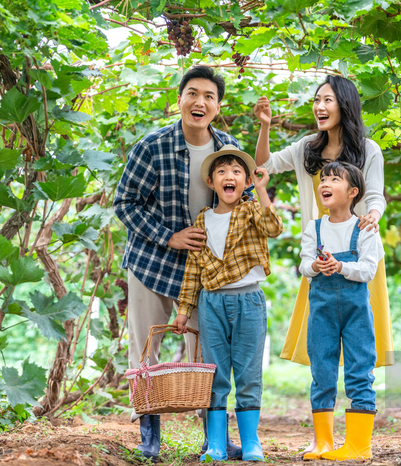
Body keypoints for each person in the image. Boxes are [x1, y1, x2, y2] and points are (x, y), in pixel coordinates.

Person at [253, 75, 393, 453]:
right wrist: (265, 127)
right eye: (316, 100)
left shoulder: (368, 149)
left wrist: (372, 217)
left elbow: (376, 194)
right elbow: (263, 164)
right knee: (324, 351)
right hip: (319, 256)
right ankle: (326, 441)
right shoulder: (305, 149)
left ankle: (358, 443)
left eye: (327, 99)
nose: (319, 106)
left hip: (358, 251)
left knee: (362, 350)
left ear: (344, 104)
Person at [113, 65, 242, 462]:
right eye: (192, 93)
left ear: (217, 106)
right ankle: (149, 435)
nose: (199, 102)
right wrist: (168, 236)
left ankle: (214, 436)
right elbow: (124, 203)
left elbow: (243, 203)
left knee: (209, 352)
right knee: (145, 349)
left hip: (206, 272)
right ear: (180, 99)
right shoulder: (151, 146)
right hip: (152, 263)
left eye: (208, 96)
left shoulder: (228, 150)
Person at [173, 146, 283, 462]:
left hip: (248, 300)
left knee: (248, 373)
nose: (229, 176)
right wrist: (184, 309)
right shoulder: (203, 219)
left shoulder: (250, 211)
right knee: (216, 373)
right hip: (211, 304)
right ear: (211, 182)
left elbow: (273, 227)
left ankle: (251, 443)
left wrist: (262, 190)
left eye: (236, 171)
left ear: (246, 181)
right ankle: (217, 444)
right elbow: (193, 267)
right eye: (222, 172)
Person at [300, 161, 383, 461]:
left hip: (355, 311)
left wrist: (341, 266)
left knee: (360, 370)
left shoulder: (364, 228)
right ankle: (323, 442)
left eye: (334, 179)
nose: (325, 183)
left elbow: (368, 269)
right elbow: (304, 264)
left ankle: (359, 445)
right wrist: (315, 266)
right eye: (323, 178)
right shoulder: (315, 227)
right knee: (321, 372)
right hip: (321, 310)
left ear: (352, 192)